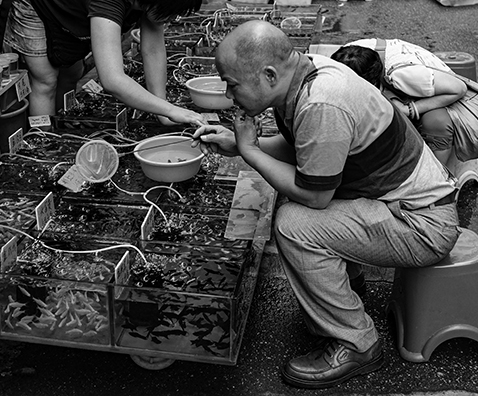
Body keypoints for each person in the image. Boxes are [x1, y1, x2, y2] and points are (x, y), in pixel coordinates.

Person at [193, 21, 460, 390]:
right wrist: (238, 143)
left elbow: (314, 195)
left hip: (423, 225)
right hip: (396, 206)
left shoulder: (321, 101)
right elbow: (309, 151)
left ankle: (356, 342)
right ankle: (345, 286)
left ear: (269, 75)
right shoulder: (305, 75)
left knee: (293, 222)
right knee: (290, 191)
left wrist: (251, 151)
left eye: (233, 83)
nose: (227, 93)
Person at [1, 0, 204, 125]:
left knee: (71, 74)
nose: (173, 19)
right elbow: (112, 80)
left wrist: (163, 112)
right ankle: (43, 145)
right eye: (171, 12)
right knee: (45, 80)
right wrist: (171, 110)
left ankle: (61, 123)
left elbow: (152, 49)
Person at [331, 39, 468, 167]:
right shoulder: (347, 56)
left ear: (371, 81)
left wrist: (411, 109)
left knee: (436, 123)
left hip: (440, 93)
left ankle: (440, 174)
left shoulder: (403, 74)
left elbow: (459, 88)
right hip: (402, 86)